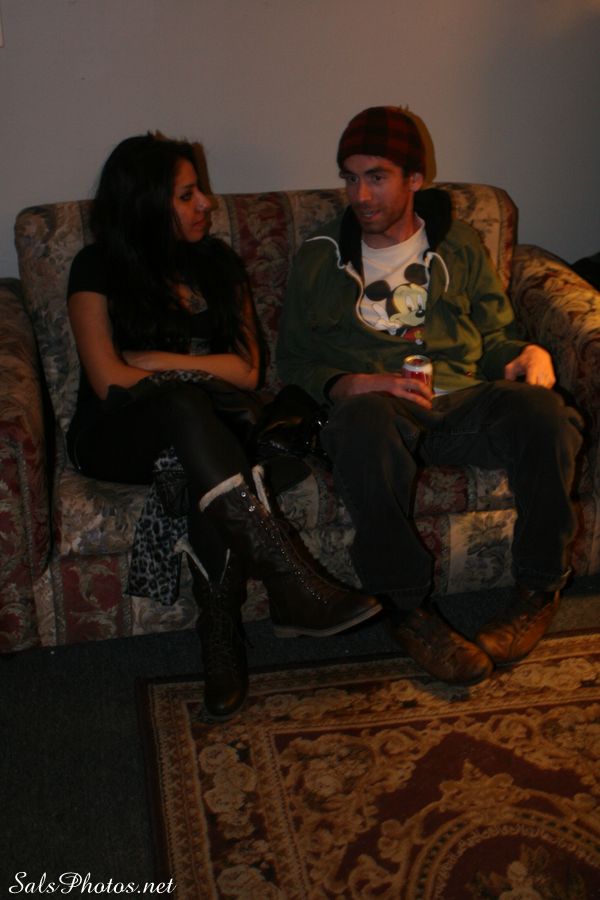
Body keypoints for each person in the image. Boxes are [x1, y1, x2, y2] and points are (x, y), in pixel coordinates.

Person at [66, 133, 381, 720]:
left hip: (204, 435)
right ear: (147, 203)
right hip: (115, 436)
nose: (206, 204)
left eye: (200, 192)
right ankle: (291, 583)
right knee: (186, 409)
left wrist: (156, 362)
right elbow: (108, 383)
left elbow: (247, 371)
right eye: (187, 195)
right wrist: (182, 380)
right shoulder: (97, 266)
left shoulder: (218, 265)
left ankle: (220, 635)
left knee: (203, 458)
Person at [277, 106, 583, 685]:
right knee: (361, 424)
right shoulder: (319, 258)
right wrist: (352, 383)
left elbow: (495, 337)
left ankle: (537, 592)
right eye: (350, 177)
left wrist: (525, 354)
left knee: (547, 414)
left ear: (415, 178)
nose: (360, 195)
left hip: (462, 400)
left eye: (376, 177)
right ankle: (407, 611)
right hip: (379, 408)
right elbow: (291, 362)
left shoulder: (459, 245)